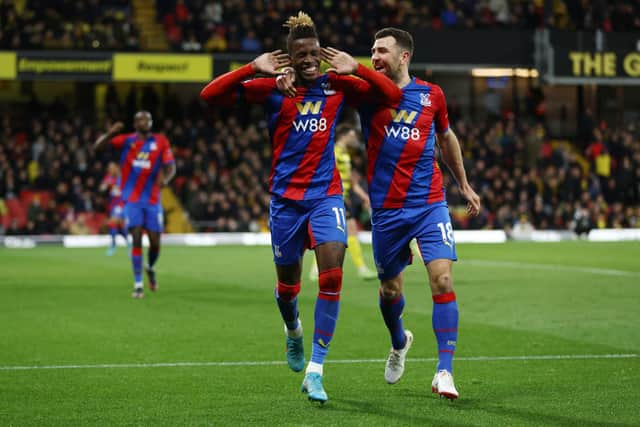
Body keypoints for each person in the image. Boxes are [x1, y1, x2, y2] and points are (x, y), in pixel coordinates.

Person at [200, 12, 400, 403]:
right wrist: (249, 68)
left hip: (325, 197)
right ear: (288, 58)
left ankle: (316, 370)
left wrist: (355, 66)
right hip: (285, 203)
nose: (307, 59)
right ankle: (293, 331)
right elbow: (209, 96)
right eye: (299, 54)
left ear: (322, 54)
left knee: (331, 278)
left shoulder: (338, 85)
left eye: (313, 52)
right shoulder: (273, 90)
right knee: (288, 289)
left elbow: (391, 96)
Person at [277, 27, 481, 400]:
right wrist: (290, 75)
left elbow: (446, 137)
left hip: (430, 203)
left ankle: (445, 371)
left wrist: (463, 183)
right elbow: (321, 85)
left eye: (381, 51)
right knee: (390, 291)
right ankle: (399, 340)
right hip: (387, 211)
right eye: (371, 51)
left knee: (443, 280)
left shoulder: (432, 95)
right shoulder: (368, 93)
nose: (374, 57)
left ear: (404, 56)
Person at [94, 111, 176, 299]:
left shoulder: (161, 142)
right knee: (137, 237)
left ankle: (150, 267)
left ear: (151, 122)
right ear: (134, 123)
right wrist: (110, 133)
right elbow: (97, 149)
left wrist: (167, 179)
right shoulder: (126, 140)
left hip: (153, 200)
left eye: (147, 119)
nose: (144, 122)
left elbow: (171, 166)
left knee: (155, 242)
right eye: (140, 119)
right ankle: (138, 285)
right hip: (131, 199)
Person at [308, 124, 377, 281]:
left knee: (330, 235)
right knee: (351, 230)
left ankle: (315, 270)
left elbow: (352, 182)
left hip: (344, 197)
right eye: (352, 135)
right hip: (335, 197)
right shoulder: (333, 152)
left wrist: (364, 196)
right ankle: (362, 268)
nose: (354, 139)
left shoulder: (346, 155)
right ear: (344, 136)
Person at [100, 162, 128, 255]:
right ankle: (129, 244)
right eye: (109, 168)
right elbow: (102, 188)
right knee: (119, 226)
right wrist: (105, 186)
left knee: (113, 223)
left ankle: (113, 246)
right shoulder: (109, 177)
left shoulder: (123, 177)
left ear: (117, 167)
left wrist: (117, 189)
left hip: (122, 205)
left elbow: (124, 191)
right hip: (113, 205)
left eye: (112, 168)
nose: (110, 170)